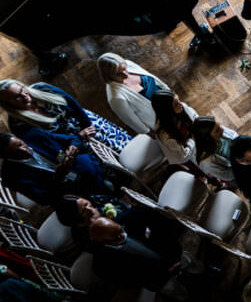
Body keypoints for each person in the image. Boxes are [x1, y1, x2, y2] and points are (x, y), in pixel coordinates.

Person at [0, 79, 132, 151]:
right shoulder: (18, 124)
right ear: (7, 103)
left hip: (86, 122)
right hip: (73, 143)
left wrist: (87, 125)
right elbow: (48, 141)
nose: (24, 95)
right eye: (16, 97)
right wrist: (78, 138)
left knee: (125, 144)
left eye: (22, 89)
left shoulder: (41, 88)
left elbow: (71, 102)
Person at [96, 52, 194, 134]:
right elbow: (131, 120)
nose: (125, 74)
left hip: (172, 103)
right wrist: (148, 132)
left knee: (193, 121)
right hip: (161, 120)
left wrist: (170, 94)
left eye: (124, 68)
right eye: (118, 74)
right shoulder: (115, 98)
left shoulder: (128, 64)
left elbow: (154, 79)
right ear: (108, 76)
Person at [0, 132, 109, 204]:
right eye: (15, 152)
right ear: (5, 157)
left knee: (104, 184)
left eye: (20, 144)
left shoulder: (34, 136)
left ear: (19, 138)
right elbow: (43, 199)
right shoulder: (10, 177)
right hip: (67, 194)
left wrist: (73, 147)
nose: (24, 150)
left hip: (83, 168)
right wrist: (57, 178)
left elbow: (73, 139)